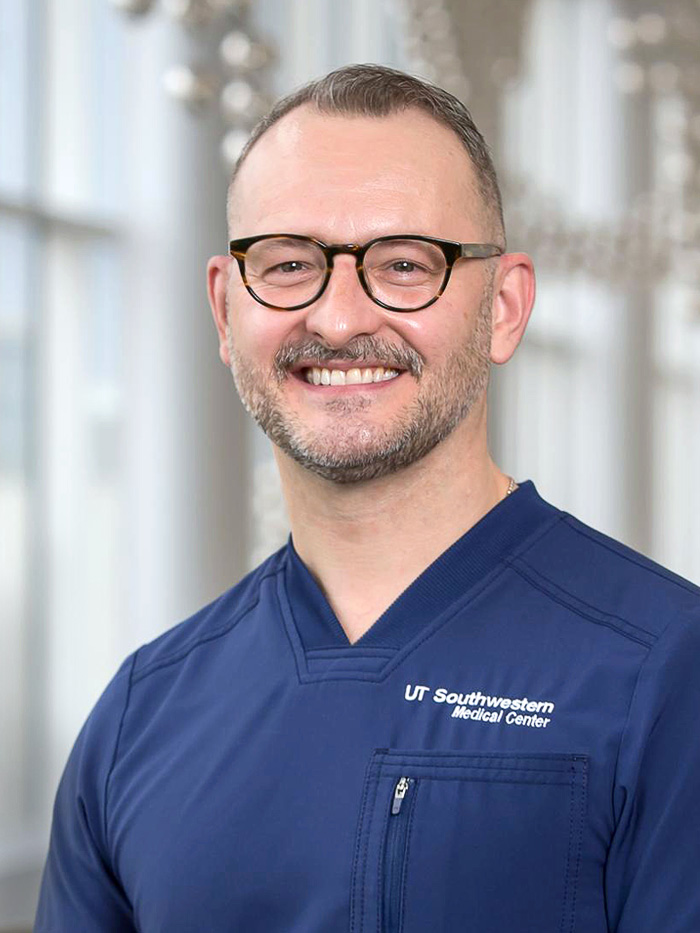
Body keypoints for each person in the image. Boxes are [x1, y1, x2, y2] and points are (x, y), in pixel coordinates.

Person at [35, 63, 700, 933]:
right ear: (226, 309)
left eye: (403, 263)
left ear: (503, 307)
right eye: (287, 263)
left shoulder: (665, 670)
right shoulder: (139, 717)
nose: (340, 317)